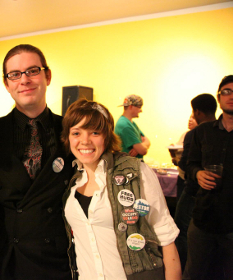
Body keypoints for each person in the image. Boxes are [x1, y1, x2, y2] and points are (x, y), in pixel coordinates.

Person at [0, 44, 75, 280]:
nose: (24, 80)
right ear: (7, 83)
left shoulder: (72, 132)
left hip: (56, 257)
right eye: (15, 74)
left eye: (32, 71)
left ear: (47, 76)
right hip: (4, 257)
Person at [62, 99, 181, 279]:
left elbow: (166, 237)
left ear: (107, 136)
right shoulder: (73, 182)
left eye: (95, 132)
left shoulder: (136, 172)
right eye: (76, 133)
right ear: (68, 137)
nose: (84, 141)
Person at [183, 75, 233, 280]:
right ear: (219, 97)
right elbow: (189, 164)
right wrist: (198, 173)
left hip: (232, 222)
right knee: (194, 273)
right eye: (227, 91)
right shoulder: (202, 132)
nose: (231, 96)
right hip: (203, 218)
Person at [174, 94, 217, 272]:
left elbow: (186, 163)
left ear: (197, 112)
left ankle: (184, 264)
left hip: (193, 190)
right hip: (217, 195)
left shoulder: (195, 133)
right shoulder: (221, 132)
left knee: (181, 228)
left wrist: (181, 163)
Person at [115, 95, 150, 159]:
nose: (141, 110)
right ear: (131, 107)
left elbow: (147, 141)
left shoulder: (131, 123)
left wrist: (138, 148)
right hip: (128, 166)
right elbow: (143, 151)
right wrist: (140, 148)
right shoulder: (124, 125)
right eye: (139, 107)